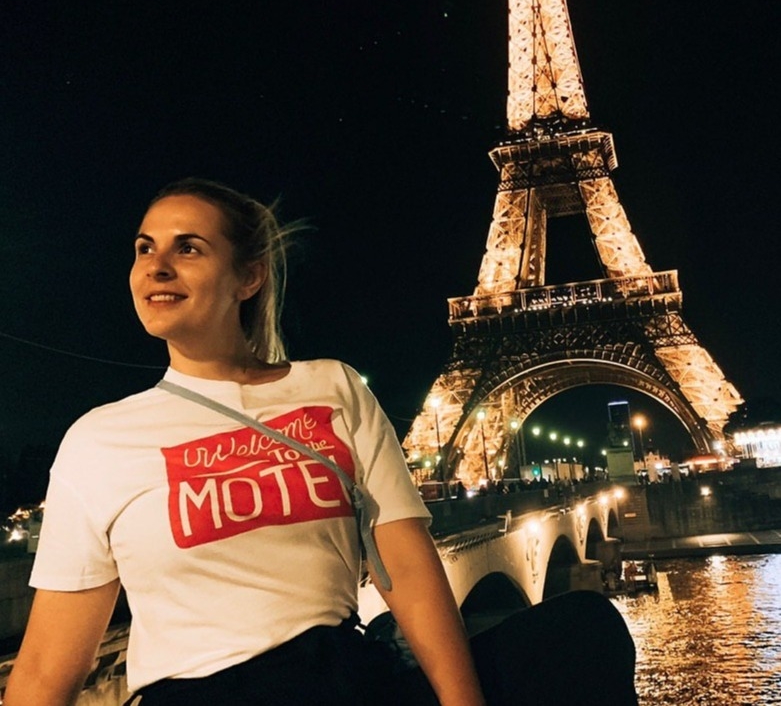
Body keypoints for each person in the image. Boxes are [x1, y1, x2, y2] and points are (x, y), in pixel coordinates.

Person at [5, 178, 486, 706]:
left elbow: (408, 568)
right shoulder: (98, 442)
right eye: (144, 248)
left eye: (188, 248)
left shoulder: (334, 387)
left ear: (249, 277)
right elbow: (47, 667)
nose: (156, 266)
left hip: (337, 682)